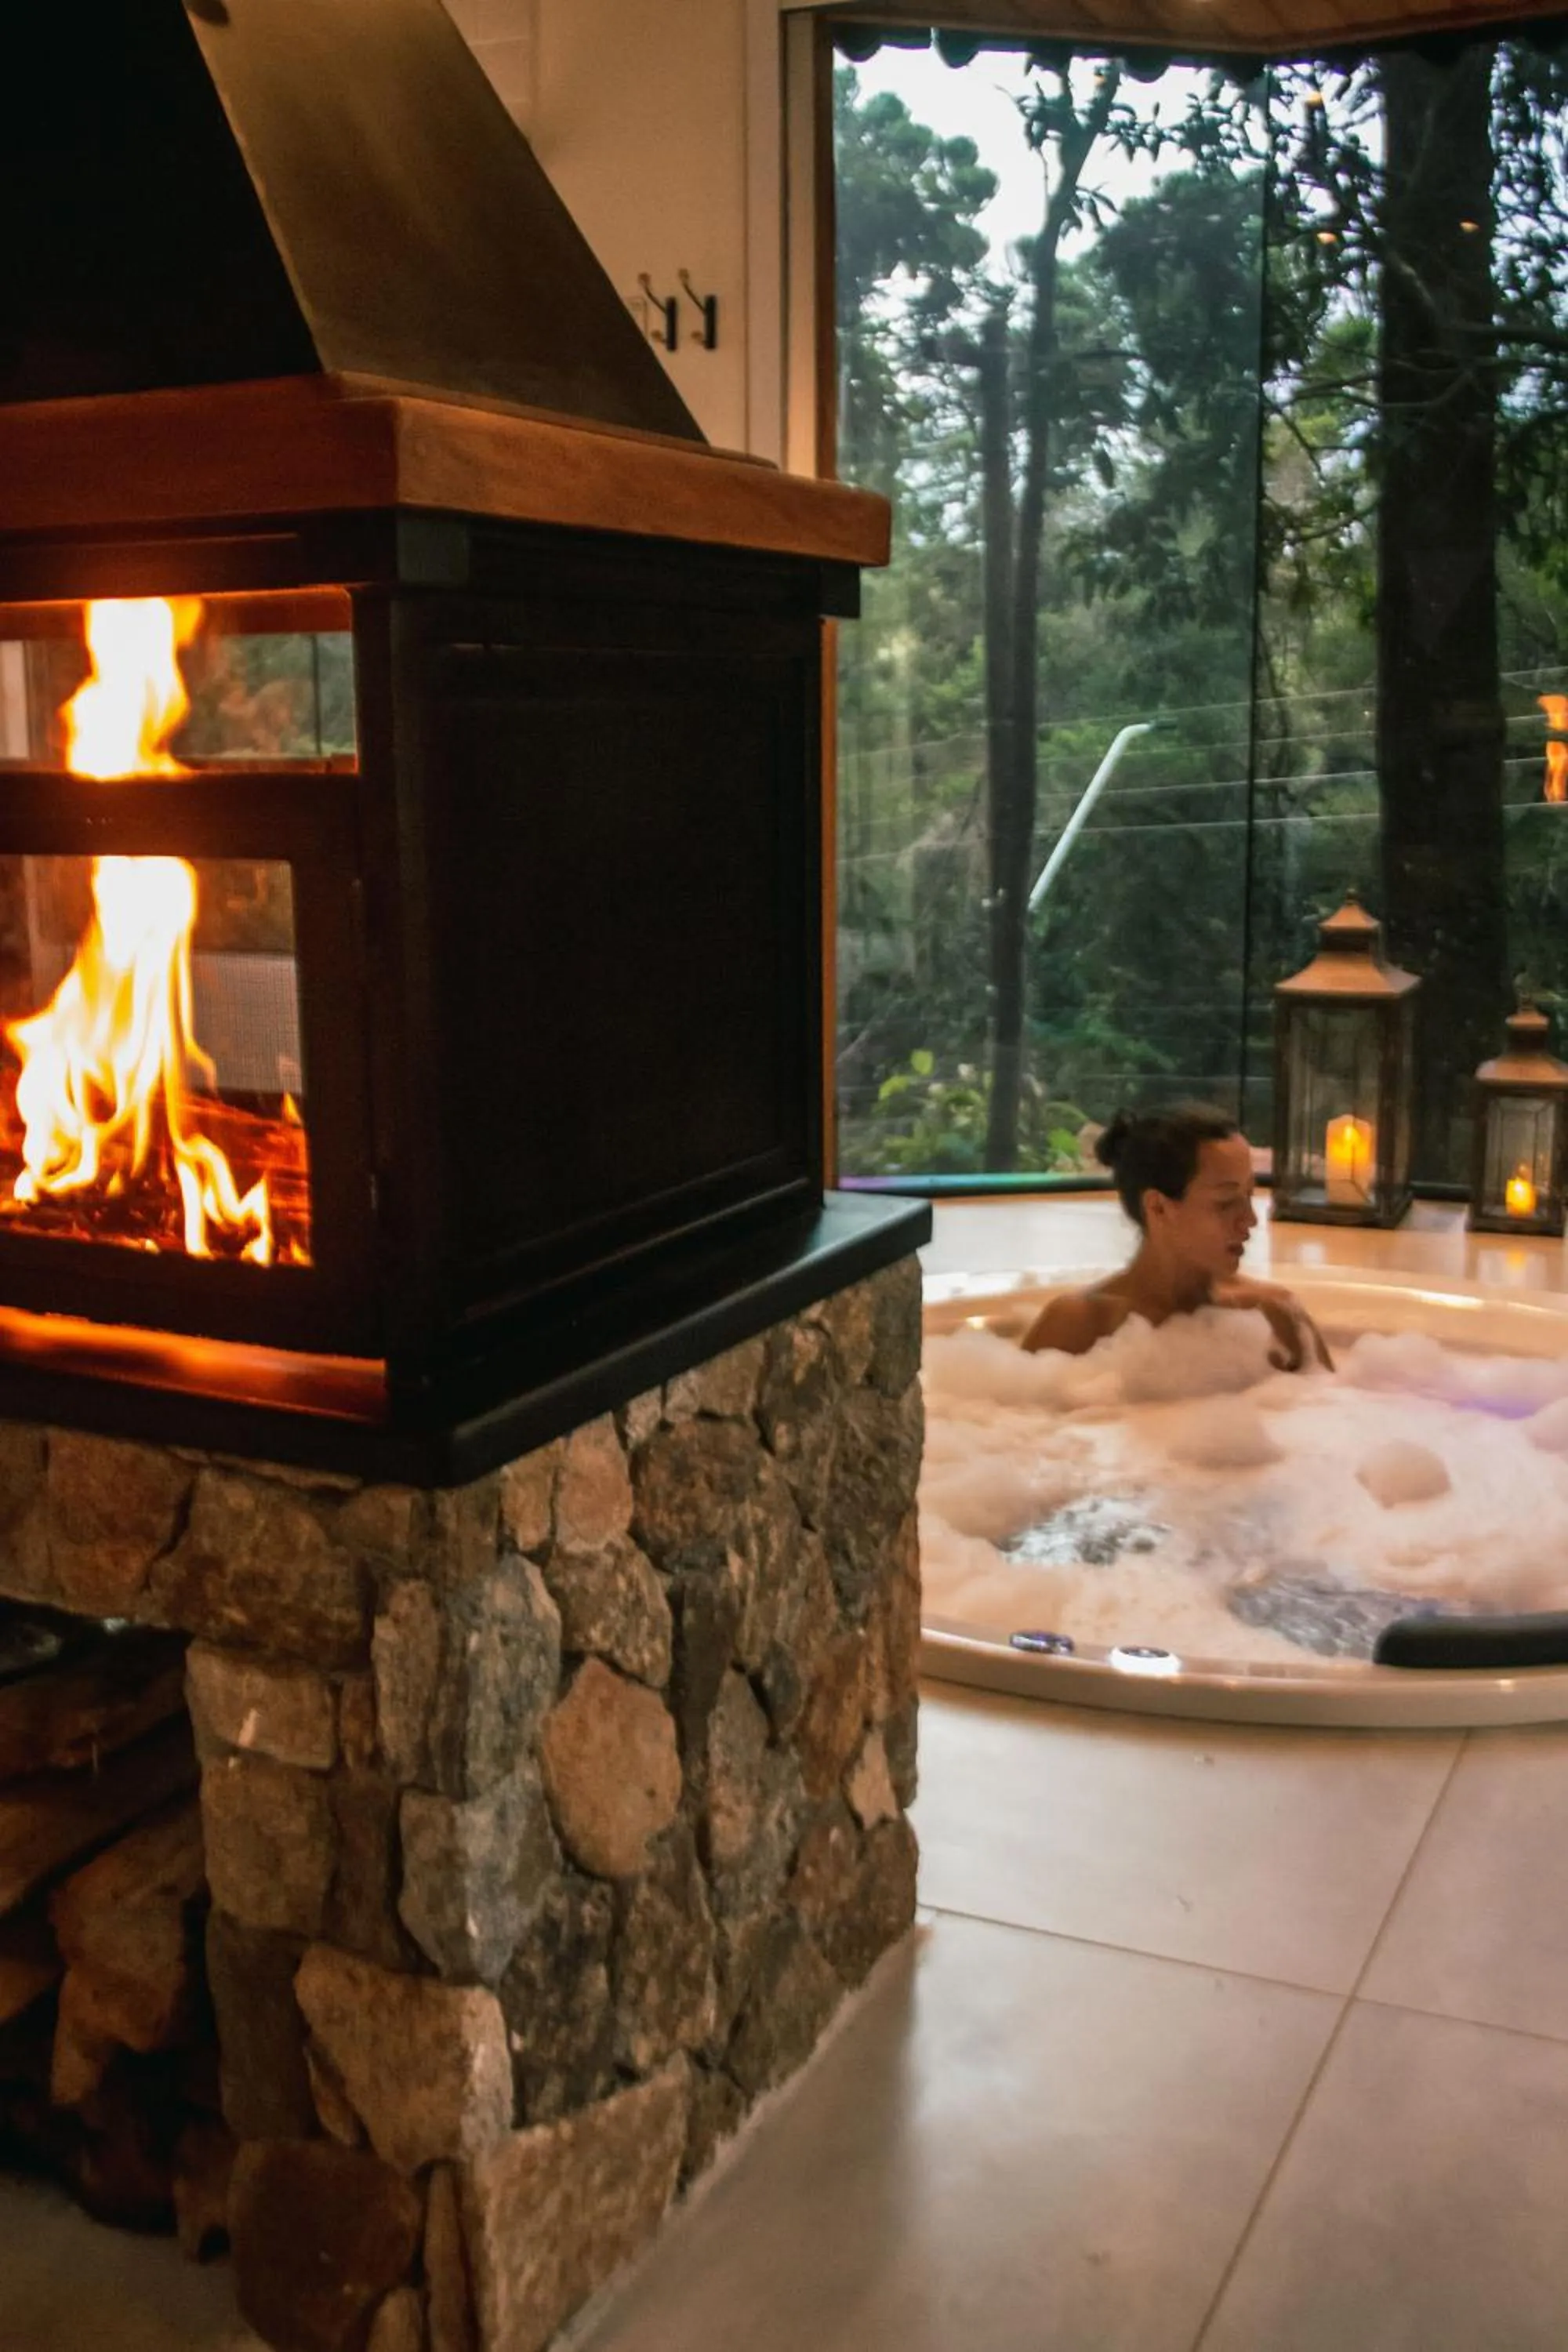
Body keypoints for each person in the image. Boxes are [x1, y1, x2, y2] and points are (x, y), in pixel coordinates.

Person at [1022, 1102, 1333, 1372]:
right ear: (1158, 1207)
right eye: (1226, 1202)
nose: (1250, 1220)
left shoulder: (1276, 1316)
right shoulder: (1078, 1326)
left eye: (1250, 1194)